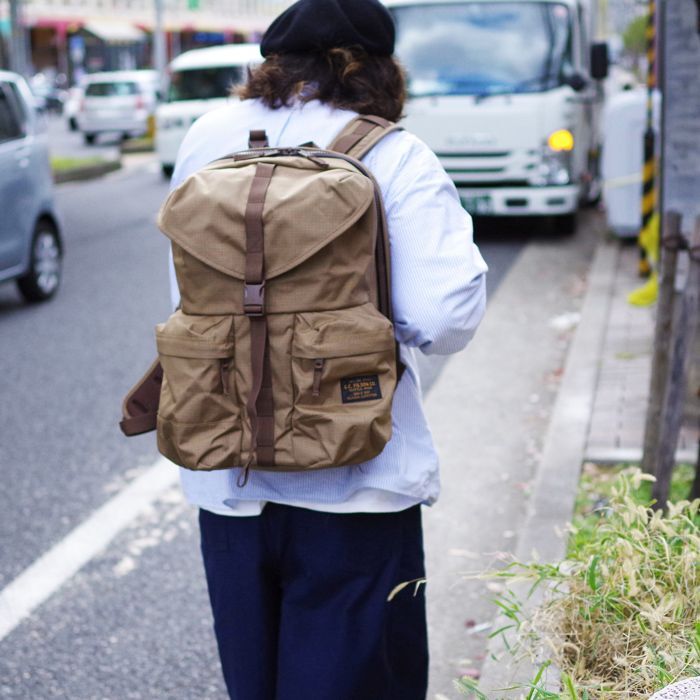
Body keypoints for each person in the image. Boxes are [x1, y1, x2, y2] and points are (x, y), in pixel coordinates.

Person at [168, 1, 488, 697]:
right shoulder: (393, 152)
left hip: (227, 479)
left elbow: (186, 288)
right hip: (358, 482)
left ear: (273, 62)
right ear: (379, 68)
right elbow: (445, 315)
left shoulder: (205, 138)